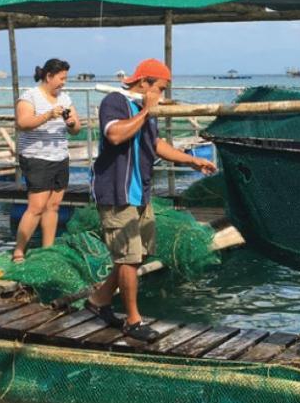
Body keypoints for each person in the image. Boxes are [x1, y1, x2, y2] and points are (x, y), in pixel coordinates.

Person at [86, 58, 217, 341]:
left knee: (139, 253)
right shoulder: (115, 101)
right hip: (116, 193)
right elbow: (116, 135)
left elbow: (155, 144)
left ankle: (99, 300)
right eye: (160, 87)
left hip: (140, 192)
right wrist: (146, 109)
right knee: (129, 258)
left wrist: (191, 160)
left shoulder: (146, 111)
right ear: (144, 82)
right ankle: (133, 321)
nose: (163, 94)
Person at [12, 58, 81, 263]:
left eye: (65, 79)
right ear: (49, 76)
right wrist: (49, 115)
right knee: (36, 206)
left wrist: (70, 124)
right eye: (61, 78)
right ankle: (19, 251)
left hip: (60, 156)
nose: (63, 83)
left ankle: (48, 249)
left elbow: (77, 129)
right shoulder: (29, 97)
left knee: (54, 205)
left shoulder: (65, 98)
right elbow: (23, 123)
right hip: (36, 157)